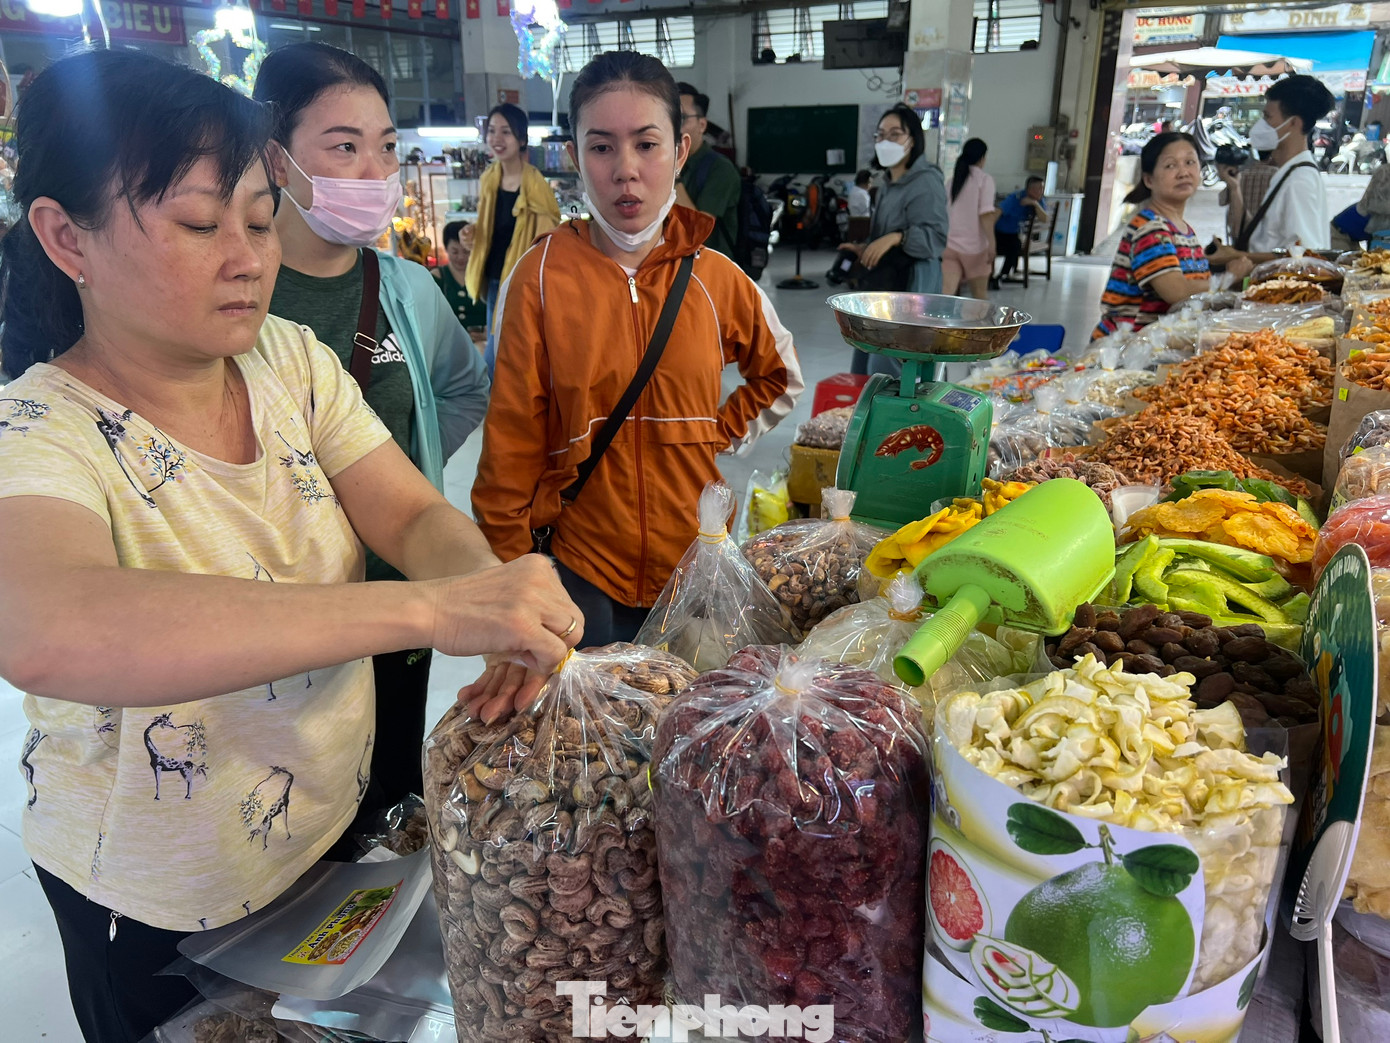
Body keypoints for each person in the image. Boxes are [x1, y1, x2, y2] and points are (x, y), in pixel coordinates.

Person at [0, 49, 580, 1043]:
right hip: (158, 895)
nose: (247, 255)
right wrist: (427, 609)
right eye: (197, 222)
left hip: (323, 827)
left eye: (262, 218)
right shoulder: (38, 432)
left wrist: (485, 589)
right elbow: (50, 626)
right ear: (66, 237)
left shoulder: (285, 358)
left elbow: (405, 513)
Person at [473, 51, 803, 649]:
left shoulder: (717, 277)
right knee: (596, 738)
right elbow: (511, 442)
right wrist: (512, 572)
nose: (626, 170)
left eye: (646, 145)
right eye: (601, 147)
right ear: (574, 158)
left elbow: (779, 374)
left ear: (680, 151)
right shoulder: (540, 277)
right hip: (580, 569)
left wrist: (711, 433)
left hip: (694, 567)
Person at [254, 43, 492, 814]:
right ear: (276, 158)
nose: (373, 171)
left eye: (386, 147)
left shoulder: (406, 287)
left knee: (389, 782)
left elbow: (460, 387)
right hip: (279, 610)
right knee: (291, 793)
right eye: (344, 146)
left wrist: (404, 480)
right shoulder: (240, 298)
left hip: (399, 583)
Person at [1093, 132, 1252, 339]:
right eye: (1170, 165)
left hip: (1157, 344)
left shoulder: (1183, 229)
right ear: (1149, 180)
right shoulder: (1151, 229)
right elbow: (1177, 292)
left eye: (1189, 162)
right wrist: (1229, 278)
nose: (1183, 172)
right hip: (1124, 351)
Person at [842, 103, 948, 374]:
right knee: (865, 360)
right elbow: (884, 237)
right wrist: (867, 248)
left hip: (912, 289)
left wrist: (896, 237)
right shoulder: (887, 182)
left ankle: (903, 417)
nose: (885, 141)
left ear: (912, 139)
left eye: (895, 134)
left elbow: (935, 239)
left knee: (892, 367)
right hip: (885, 287)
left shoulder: (926, 181)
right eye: (880, 134)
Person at [463, 102, 561, 376]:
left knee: (501, 355)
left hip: (520, 283)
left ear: (521, 139)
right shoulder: (489, 179)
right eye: (492, 131)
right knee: (500, 352)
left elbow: (546, 237)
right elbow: (489, 230)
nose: (496, 139)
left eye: (505, 132)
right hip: (494, 278)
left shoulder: (535, 184)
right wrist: (470, 234)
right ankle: (501, 409)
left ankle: (500, 410)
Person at [1221, 75, 1334, 256]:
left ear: (1294, 123)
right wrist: (1235, 188)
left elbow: (1303, 256)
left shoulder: (1299, 180)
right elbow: (1262, 238)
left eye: (1267, 117)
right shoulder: (1289, 172)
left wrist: (1237, 256)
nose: (1261, 125)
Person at [674, 81, 741, 258]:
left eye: (680, 119)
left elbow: (697, 231)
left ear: (702, 125)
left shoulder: (721, 169)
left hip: (710, 275)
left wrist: (672, 176)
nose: (672, 127)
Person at [941, 138, 997, 298]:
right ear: (982, 158)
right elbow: (986, 215)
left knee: (945, 296)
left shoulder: (952, 182)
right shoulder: (985, 180)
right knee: (979, 298)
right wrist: (992, 245)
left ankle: (937, 323)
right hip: (975, 249)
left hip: (949, 246)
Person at [991, 175, 1046, 288]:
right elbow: (997, 212)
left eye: (1042, 188)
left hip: (1014, 234)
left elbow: (1045, 219)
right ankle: (999, 276)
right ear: (1030, 190)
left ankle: (1003, 275)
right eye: (1039, 189)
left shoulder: (1038, 200)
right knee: (1014, 245)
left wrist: (1034, 204)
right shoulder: (1015, 198)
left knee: (1015, 243)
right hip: (1000, 232)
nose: (1041, 192)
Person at [436, 220, 488, 334]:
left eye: (466, 252)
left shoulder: (484, 276)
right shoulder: (436, 278)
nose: (461, 257)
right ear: (446, 249)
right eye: (454, 252)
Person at [1217, 149, 1276, 242]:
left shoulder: (1239, 174)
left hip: (1239, 229)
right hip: (1264, 233)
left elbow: (1222, 200)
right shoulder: (1277, 175)